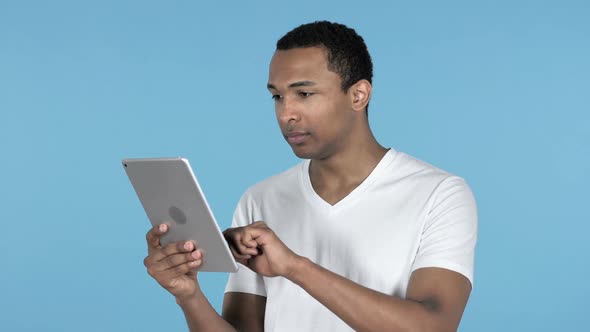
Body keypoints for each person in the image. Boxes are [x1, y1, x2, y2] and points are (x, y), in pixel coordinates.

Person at [143, 21, 477, 331]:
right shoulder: (261, 199)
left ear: (358, 95)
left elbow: (434, 325)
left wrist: (294, 267)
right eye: (277, 96)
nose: (286, 113)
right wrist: (187, 294)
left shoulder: (438, 194)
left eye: (304, 94)